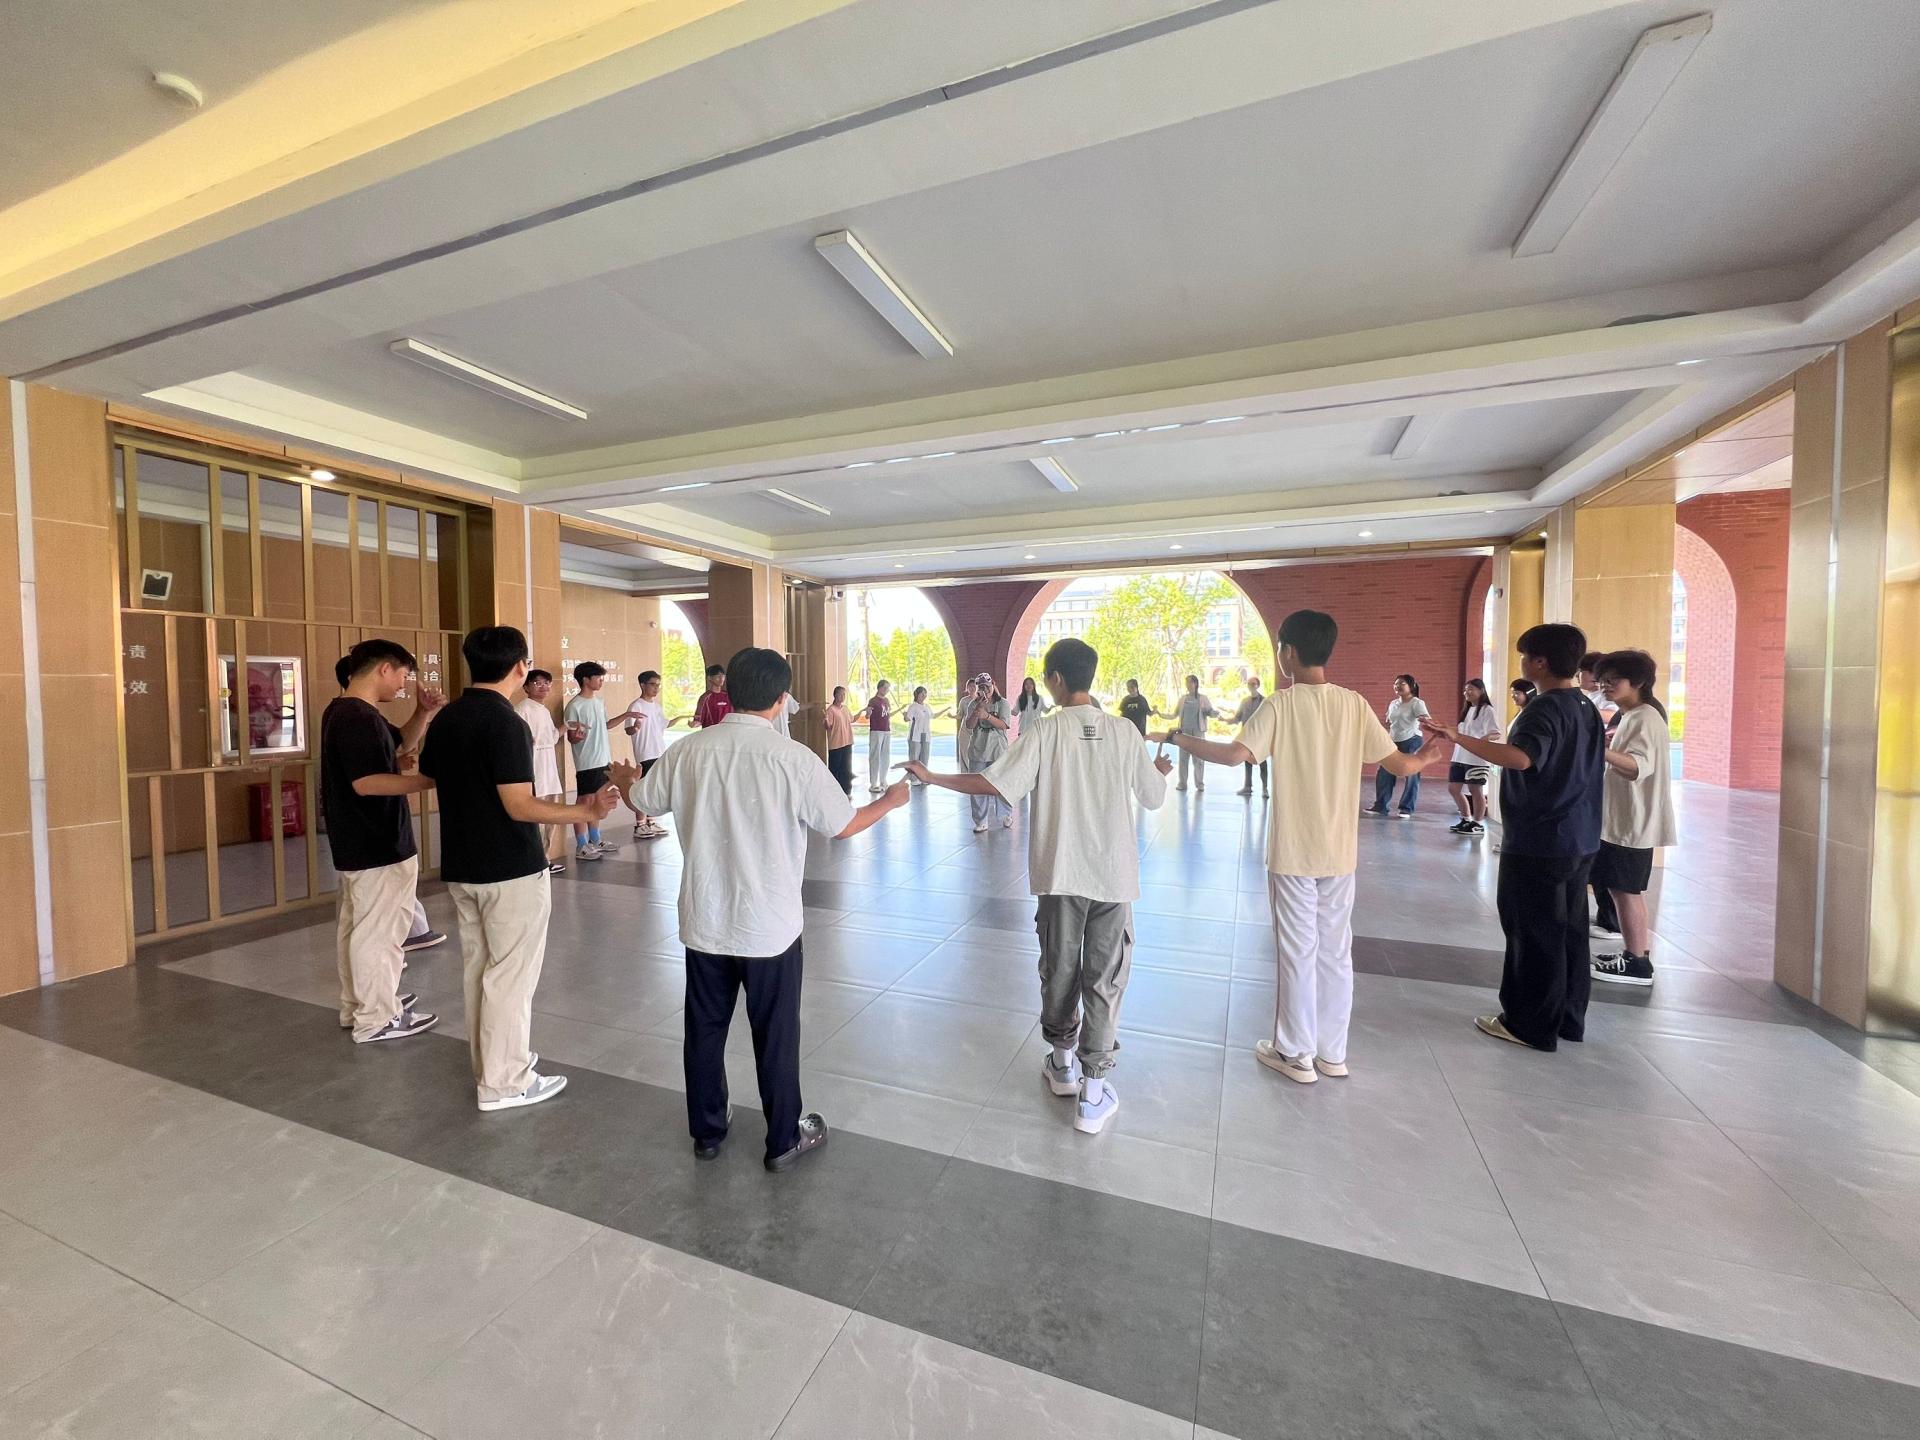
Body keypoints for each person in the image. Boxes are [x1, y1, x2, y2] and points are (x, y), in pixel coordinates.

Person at [614, 647, 909, 1169]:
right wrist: (890, 801)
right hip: (769, 928)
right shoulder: (793, 759)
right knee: (776, 1034)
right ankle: (783, 1139)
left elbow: (643, 800)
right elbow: (842, 825)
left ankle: (708, 1131)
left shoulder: (689, 750)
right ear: (780, 698)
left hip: (706, 921)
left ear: (728, 692)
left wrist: (621, 780)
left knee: (704, 1029)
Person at [1160, 612, 1438, 1082]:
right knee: (1335, 952)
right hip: (1339, 853)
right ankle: (1332, 1054)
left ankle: (1293, 1052)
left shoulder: (1281, 705)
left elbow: (1234, 756)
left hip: (1293, 853)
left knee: (1297, 951)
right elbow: (1400, 765)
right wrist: (1428, 756)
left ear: (1288, 652)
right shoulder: (1353, 704)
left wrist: (1175, 737)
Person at [907, 638, 1170, 1134]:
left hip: (1060, 875)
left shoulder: (1046, 732)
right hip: (1114, 879)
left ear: (1055, 679)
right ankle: (1094, 1093)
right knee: (1105, 978)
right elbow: (1153, 797)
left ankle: (1062, 1065)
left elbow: (994, 783)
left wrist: (932, 776)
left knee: (1060, 968)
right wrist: (1158, 770)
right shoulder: (1124, 732)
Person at [421, 626, 617, 1112]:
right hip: (508, 869)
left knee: (481, 971)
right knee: (510, 977)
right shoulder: (505, 722)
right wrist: (585, 811)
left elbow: (428, 775)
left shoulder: (448, 718)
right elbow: (519, 805)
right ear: (520, 667)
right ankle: (506, 1082)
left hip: (463, 865)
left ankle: (491, 1065)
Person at [1424, 623, 1605, 1053]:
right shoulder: (1585, 706)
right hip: (1579, 836)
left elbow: (1521, 758)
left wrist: (1458, 737)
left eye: (1525, 656)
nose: (1522, 663)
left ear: (1540, 662)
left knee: (1533, 932)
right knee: (1569, 932)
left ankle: (1528, 1025)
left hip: (1541, 839)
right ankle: (1567, 1019)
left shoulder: (1544, 708)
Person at [321, 640, 443, 1042]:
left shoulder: (350, 712)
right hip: (377, 843)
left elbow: (401, 744)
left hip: (360, 842)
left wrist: (423, 713)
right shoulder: (356, 717)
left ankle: (360, 1005)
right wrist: (429, 781)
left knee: (359, 929)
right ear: (384, 669)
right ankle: (377, 1018)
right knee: (380, 934)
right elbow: (367, 783)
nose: (404, 685)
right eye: (403, 675)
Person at [1589, 650, 1677, 989]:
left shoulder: (1645, 717)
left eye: (1613, 679)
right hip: (1624, 819)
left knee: (1626, 890)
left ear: (1637, 682)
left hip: (1633, 821)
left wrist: (1596, 750)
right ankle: (1633, 953)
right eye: (1602, 679)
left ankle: (1638, 962)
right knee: (1620, 888)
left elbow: (1638, 766)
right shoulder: (1632, 715)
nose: (1605, 685)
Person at [1577, 651, 1624, 942]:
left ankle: (1612, 921)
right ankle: (1606, 914)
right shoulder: (1593, 701)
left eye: (1582, 672)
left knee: (1609, 863)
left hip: (1609, 793)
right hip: (1596, 786)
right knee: (1597, 860)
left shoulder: (1613, 708)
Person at [564, 662, 626, 862]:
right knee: (585, 801)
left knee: (598, 800)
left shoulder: (599, 702)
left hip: (603, 759)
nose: (601, 681)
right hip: (587, 761)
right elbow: (571, 737)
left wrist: (627, 715)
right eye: (598, 678)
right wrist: (577, 736)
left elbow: (605, 725)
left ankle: (595, 839)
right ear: (585, 679)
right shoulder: (575, 705)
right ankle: (581, 845)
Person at [514, 668, 569, 875]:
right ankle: (533, 861)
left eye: (547, 683)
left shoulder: (543, 710)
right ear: (526, 687)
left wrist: (567, 727)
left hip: (549, 772)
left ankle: (544, 859)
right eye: (537, 683)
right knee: (535, 820)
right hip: (535, 772)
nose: (543, 687)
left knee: (549, 819)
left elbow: (552, 738)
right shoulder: (521, 710)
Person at [1366, 675, 1430, 818]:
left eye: (1402, 683)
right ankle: (1381, 806)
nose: (1397, 686)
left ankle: (1406, 808)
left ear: (1411, 686)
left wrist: (1425, 720)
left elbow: (1426, 718)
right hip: (1392, 741)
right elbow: (1389, 722)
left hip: (1411, 740)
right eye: (1395, 684)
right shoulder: (1393, 703)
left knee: (1411, 774)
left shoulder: (1416, 702)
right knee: (1384, 772)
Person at [1447, 679, 1502, 836]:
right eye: (1465, 690)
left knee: (1475, 790)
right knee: (1453, 789)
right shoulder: (1467, 710)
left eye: (1470, 689)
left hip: (1477, 758)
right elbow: (1462, 732)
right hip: (1459, 756)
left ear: (1481, 691)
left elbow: (1496, 733)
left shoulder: (1487, 710)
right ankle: (1466, 819)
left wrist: (1481, 741)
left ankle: (1477, 823)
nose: (1467, 692)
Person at [959, 673, 1014, 832]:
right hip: (978, 750)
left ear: (993, 685)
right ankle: (980, 820)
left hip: (997, 750)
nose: (985, 690)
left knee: (1001, 783)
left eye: (987, 687)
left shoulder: (1002, 703)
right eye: (981, 687)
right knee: (976, 786)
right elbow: (969, 725)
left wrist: (987, 716)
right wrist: (978, 710)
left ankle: (1005, 814)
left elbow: (1004, 725)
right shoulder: (973, 704)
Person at [621, 670, 670, 840]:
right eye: (652, 684)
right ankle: (640, 824)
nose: (656, 688)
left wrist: (683, 719)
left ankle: (651, 821)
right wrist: (635, 728)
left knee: (654, 787)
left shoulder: (657, 707)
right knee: (644, 787)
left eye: (658, 685)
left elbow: (664, 724)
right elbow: (628, 729)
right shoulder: (636, 706)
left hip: (658, 751)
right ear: (642, 685)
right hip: (645, 753)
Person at [1171, 675, 1217, 792]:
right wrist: (1160, 714)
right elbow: (1174, 714)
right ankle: (1182, 783)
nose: (1188, 685)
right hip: (1184, 732)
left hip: (1198, 732)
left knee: (1199, 759)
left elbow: (1209, 711)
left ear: (1196, 684)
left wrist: (1214, 714)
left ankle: (1200, 783)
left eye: (1191, 682)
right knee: (1183, 759)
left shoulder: (1203, 698)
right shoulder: (1183, 699)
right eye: (1187, 682)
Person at [1228, 675, 1268, 797]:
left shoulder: (1264, 701)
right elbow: (1238, 717)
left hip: (1260, 736)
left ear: (1258, 685)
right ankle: (1247, 787)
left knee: (1262, 762)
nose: (1251, 686)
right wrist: (1228, 720)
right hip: (1247, 736)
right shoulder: (1244, 701)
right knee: (1247, 761)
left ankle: (1265, 789)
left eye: (1253, 684)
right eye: (1249, 684)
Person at [859, 679, 894, 794]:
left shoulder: (886, 700)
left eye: (888, 688)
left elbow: (887, 714)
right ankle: (873, 783)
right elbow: (868, 716)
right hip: (876, 730)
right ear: (879, 688)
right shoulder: (873, 701)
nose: (886, 690)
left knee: (885, 756)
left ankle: (883, 780)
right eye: (885, 688)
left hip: (886, 730)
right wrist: (868, 713)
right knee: (875, 756)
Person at [823, 686, 855, 795]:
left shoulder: (845, 708)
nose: (842, 696)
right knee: (835, 768)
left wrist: (862, 712)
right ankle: (834, 792)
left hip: (847, 742)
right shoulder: (830, 710)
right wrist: (826, 720)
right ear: (835, 695)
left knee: (846, 767)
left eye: (844, 694)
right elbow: (827, 726)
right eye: (840, 694)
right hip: (836, 744)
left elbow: (852, 719)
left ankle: (846, 790)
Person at [902, 686, 939, 781]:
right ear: (916, 694)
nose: (924, 695)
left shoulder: (927, 706)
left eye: (925, 693)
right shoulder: (913, 706)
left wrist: (946, 710)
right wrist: (905, 716)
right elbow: (907, 719)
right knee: (914, 758)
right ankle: (914, 779)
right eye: (921, 693)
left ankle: (924, 777)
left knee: (924, 757)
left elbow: (933, 716)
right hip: (915, 735)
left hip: (926, 734)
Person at [692, 664, 732, 728]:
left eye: (723, 676)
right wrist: (695, 723)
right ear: (709, 678)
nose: (721, 679)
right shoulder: (705, 697)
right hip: (711, 732)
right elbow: (698, 718)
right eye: (718, 676)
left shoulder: (728, 696)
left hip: (727, 731)